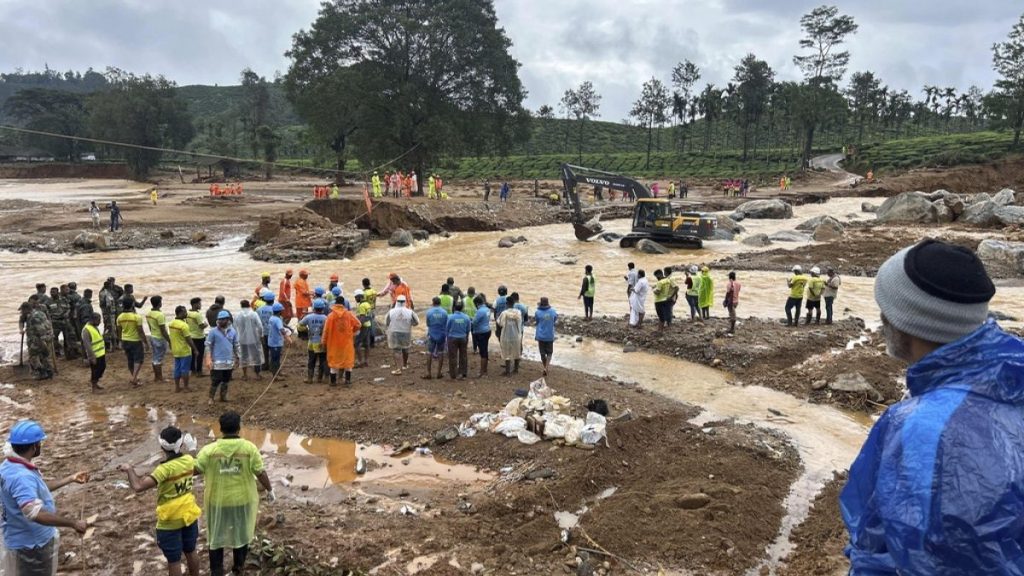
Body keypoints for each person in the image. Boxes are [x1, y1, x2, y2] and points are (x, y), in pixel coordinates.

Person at [840, 239, 1024, 574]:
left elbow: (915, 555)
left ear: (906, 323)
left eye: (886, 309)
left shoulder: (920, 427)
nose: (882, 320)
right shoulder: (1013, 374)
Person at [0, 421, 89, 575]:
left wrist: (70, 479)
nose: (41, 445)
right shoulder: (21, 476)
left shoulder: (9, 466)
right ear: (34, 446)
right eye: (40, 442)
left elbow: (34, 490)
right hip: (31, 545)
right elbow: (35, 513)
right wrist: (73, 523)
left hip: (18, 539)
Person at [195, 411, 274, 576]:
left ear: (221, 429)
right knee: (241, 533)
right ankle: (238, 568)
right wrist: (269, 489)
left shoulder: (209, 450)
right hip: (242, 500)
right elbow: (260, 472)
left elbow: (196, 469)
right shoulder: (248, 448)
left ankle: (216, 570)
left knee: (216, 536)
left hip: (217, 501)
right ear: (239, 428)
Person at [118, 426, 201, 576]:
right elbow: (196, 467)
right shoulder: (189, 460)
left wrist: (129, 469)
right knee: (191, 550)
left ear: (162, 446)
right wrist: (193, 449)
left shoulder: (163, 469)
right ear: (181, 444)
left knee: (174, 561)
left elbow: (137, 486)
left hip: (169, 521)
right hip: (189, 515)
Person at [321, 294, 360, 387]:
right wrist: (351, 331)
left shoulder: (330, 316)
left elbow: (325, 330)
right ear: (343, 304)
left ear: (335, 303)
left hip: (333, 343)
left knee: (334, 362)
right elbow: (358, 324)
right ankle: (347, 380)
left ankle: (333, 382)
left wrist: (323, 342)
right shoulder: (349, 314)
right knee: (347, 361)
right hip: (347, 342)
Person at [205, 310, 240, 403]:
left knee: (226, 380)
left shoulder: (232, 332)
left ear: (228, 320)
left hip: (228, 361)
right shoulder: (213, 332)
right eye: (219, 320)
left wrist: (238, 357)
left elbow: (236, 345)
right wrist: (208, 358)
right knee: (215, 380)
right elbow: (208, 345)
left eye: (223, 319)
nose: (221, 321)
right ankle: (211, 398)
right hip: (217, 362)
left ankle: (223, 396)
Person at [169, 306, 200, 393]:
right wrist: (195, 349)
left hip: (175, 349)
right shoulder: (184, 325)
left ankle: (177, 387)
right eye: (185, 312)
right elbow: (188, 339)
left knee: (177, 369)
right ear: (180, 313)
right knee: (185, 369)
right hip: (184, 350)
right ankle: (186, 387)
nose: (186, 313)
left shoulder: (171, 323)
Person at [117, 300, 148, 386]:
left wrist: (120, 341)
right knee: (138, 360)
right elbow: (140, 331)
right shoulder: (136, 317)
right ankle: (134, 378)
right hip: (135, 340)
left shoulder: (119, 317)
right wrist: (145, 342)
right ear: (132, 305)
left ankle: (134, 377)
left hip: (125, 340)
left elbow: (119, 331)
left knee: (130, 359)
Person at [385, 295, 418, 375]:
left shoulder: (391, 311)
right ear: (405, 302)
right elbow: (416, 322)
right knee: (405, 349)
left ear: (396, 301)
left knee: (396, 350)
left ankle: (398, 369)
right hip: (406, 332)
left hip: (394, 332)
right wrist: (409, 324)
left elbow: (386, 322)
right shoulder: (410, 312)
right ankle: (405, 365)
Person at [299, 299, 328, 383]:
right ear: (322, 308)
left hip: (311, 342)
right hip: (322, 343)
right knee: (323, 360)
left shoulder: (308, 317)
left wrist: (307, 330)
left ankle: (310, 378)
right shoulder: (326, 318)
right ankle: (321, 378)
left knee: (311, 361)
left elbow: (300, 326)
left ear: (314, 308)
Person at [233, 300, 264, 381]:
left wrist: (236, 338)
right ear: (249, 305)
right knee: (257, 356)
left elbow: (234, 327)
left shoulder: (237, 315)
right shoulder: (254, 314)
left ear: (241, 306)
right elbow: (260, 326)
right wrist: (261, 335)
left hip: (242, 339)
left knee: (244, 356)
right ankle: (257, 375)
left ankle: (245, 375)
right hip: (254, 338)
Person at [147, 296, 171, 382]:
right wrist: (169, 340)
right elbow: (163, 330)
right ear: (159, 303)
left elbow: (150, 327)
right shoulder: (160, 315)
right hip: (159, 338)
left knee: (155, 358)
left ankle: (156, 377)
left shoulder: (149, 313)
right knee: (158, 359)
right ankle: (160, 378)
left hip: (153, 336)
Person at [496, 298, 523, 375]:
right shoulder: (518, 313)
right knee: (517, 352)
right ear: (513, 303)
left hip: (506, 335)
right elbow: (520, 323)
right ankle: (516, 369)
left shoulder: (504, 313)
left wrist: (498, 333)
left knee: (506, 352)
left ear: (507, 303)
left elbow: (500, 323)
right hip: (516, 335)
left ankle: (507, 371)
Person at [424, 297, 449, 379]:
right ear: (440, 303)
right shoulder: (445, 312)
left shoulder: (429, 312)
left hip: (432, 334)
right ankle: (439, 373)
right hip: (442, 334)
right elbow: (446, 323)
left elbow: (428, 324)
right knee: (441, 353)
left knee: (429, 353)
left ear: (433, 303)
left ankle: (428, 373)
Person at [81, 312, 106, 392]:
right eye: (99, 320)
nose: (100, 322)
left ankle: (96, 383)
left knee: (102, 367)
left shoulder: (94, 327)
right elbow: (87, 345)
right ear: (93, 320)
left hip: (101, 353)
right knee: (95, 370)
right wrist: (92, 357)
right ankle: (94, 386)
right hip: (95, 355)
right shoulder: (86, 330)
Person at [446, 301, 471, 380]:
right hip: (463, 337)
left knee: (453, 356)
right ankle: (463, 373)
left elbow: (447, 328)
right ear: (462, 308)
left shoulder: (450, 317)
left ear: (454, 308)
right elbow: (468, 330)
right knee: (463, 356)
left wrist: (448, 338)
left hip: (452, 338)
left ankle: (453, 374)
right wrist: (466, 338)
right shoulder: (466, 317)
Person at [267, 302, 292, 380]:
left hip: (271, 340)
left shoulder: (272, 318)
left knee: (275, 358)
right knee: (275, 359)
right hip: (276, 342)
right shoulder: (277, 319)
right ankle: (275, 376)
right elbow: (281, 330)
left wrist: (289, 328)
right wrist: (288, 338)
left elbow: (282, 325)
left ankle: (277, 372)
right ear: (279, 311)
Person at [534, 297, 557, 376]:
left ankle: (545, 367)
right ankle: (546, 368)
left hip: (540, 335)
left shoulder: (537, 312)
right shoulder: (553, 312)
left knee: (542, 353)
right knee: (550, 353)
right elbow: (555, 319)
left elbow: (537, 321)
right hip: (549, 335)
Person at [471, 295, 491, 377]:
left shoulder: (480, 311)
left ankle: (482, 372)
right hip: (487, 330)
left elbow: (474, 322)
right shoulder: (487, 309)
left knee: (482, 352)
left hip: (480, 332)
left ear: (477, 303)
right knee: (485, 351)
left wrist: (470, 320)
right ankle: (485, 370)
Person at [186, 297, 207, 376]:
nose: (200, 305)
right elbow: (201, 326)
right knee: (200, 355)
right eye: (199, 303)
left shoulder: (187, 313)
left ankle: (193, 370)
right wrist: (206, 324)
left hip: (190, 336)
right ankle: (199, 371)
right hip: (199, 337)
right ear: (195, 304)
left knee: (192, 354)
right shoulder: (197, 314)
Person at [354, 291, 373, 368]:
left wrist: (357, 327)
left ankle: (359, 361)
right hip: (368, 325)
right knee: (366, 344)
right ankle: (366, 361)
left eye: (356, 297)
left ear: (359, 297)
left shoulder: (361, 305)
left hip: (363, 326)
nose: (355, 299)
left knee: (356, 343)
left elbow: (362, 318)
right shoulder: (367, 304)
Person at [256, 291, 275, 371]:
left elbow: (256, 321)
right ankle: (272, 366)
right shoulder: (274, 309)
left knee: (264, 349)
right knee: (272, 350)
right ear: (273, 300)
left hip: (262, 332)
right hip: (272, 333)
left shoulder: (259, 309)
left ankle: (265, 365)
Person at [724, 271, 741, 336]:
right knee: (732, 313)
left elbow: (728, 293)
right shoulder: (738, 284)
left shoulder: (729, 284)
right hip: (736, 301)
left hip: (731, 302)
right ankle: (732, 326)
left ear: (729, 277)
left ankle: (732, 329)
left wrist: (725, 301)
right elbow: (738, 291)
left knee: (732, 315)